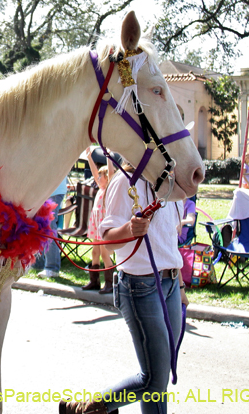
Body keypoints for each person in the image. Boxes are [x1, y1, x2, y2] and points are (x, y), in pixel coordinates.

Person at [61, 161, 187, 414]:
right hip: (140, 285)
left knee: (158, 377)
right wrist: (129, 228)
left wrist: (180, 286)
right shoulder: (125, 181)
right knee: (154, 379)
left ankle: (89, 409)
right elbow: (107, 241)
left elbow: (170, 239)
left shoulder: (171, 183)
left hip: (171, 283)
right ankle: (88, 409)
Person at [83, 147, 115, 293]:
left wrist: (108, 156)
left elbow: (111, 173)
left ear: (107, 178)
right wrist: (89, 157)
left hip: (103, 223)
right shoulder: (100, 189)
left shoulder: (109, 189)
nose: (98, 178)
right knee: (95, 252)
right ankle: (94, 281)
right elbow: (94, 172)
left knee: (104, 253)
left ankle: (110, 282)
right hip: (96, 222)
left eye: (102, 176)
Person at [32, 175, 70, 278]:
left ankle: (52, 268)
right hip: (44, 190)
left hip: (55, 190)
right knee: (39, 225)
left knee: (49, 227)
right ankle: (37, 263)